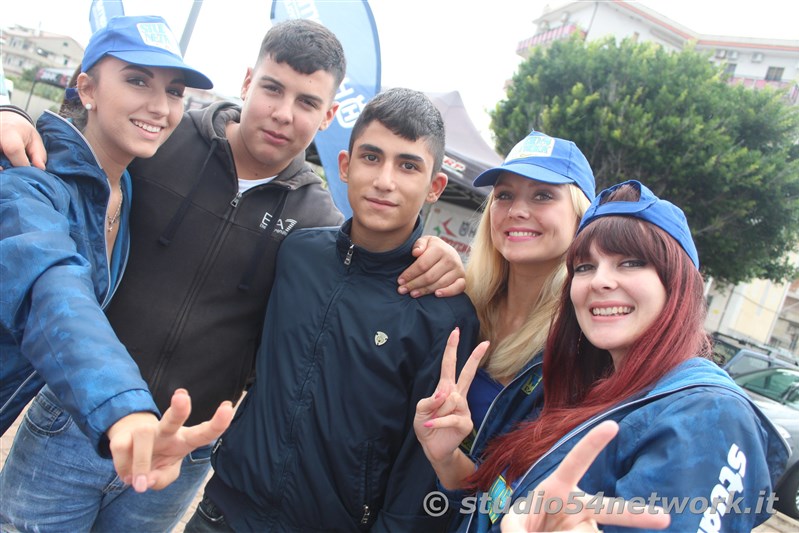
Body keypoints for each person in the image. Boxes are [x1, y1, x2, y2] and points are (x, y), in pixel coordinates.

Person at [0, 18, 465, 533]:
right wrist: (14, 116)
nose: (283, 113)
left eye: (308, 102)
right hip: (72, 423)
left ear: (329, 115)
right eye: (272, 88)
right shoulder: (163, 140)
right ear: (247, 82)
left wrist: (432, 251)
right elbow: (79, 148)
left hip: (182, 452)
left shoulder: (318, 227)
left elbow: (367, 264)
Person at [183, 87, 481, 532]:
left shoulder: (443, 312)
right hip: (223, 511)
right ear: (344, 166)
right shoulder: (297, 254)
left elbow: (419, 466)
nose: (385, 180)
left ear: (435, 186)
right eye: (371, 157)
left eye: (408, 165)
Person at [415, 180, 790, 532]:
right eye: (585, 267)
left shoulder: (708, 417)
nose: (600, 281)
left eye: (631, 262)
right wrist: (447, 458)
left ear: (677, 283)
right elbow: (494, 507)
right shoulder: (584, 387)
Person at [0, 12, 234, 522]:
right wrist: (125, 410)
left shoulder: (124, 187)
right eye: (136, 80)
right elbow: (51, 288)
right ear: (86, 88)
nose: (159, 105)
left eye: (174, 91)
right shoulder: (27, 178)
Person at [459, 130, 594, 458]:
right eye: (504, 195)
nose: (516, 210)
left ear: (581, 216)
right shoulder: (459, 303)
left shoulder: (586, 342)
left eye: (543, 195)